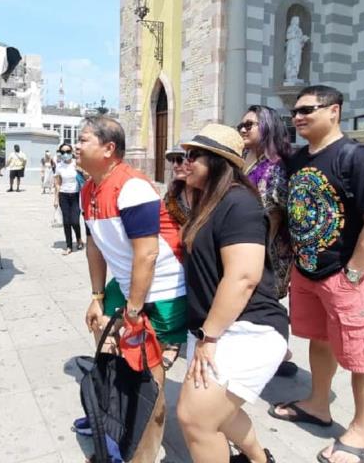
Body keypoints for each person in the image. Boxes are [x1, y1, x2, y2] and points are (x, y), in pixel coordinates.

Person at [269, 85, 364, 463]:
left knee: (361, 355)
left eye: (307, 109)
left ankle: (361, 432)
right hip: (309, 271)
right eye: (295, 112)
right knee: (319, 341)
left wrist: (353, 274)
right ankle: (318, 404)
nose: (298, 117)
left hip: (346, 274)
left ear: (334, 111)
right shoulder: (298, 160)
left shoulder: (357, 158)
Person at [77, 116, 187, 463]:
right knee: (105, 341)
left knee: (147, 376)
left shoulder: (132, 187)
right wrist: (98, 298)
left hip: (163, 290)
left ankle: (145, 451)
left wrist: (134, 310)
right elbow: (94, 246)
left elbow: (148, 253)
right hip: (127, 284)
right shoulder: (88, 189)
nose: (74, 146)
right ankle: (115, 419)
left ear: (109, 149)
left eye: (83, 140)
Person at [175, 124, 288, 463]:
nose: (185, 162)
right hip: (216, 327)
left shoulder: (238, 203)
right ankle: (258, 459)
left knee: (195, 418)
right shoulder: (208, 202)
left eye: (194, 156)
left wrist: (209, 338)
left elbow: (243, 278)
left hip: (246, 328)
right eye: (185, 155)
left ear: (218, 163)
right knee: (216, 412)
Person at [238, 105, 297, 379]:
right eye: (242, 125)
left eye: (249, 125)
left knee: (267, 299)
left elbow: (275, 213)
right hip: (246, 242)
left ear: (268, 126)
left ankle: (280, 353)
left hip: (269, 247)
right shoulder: (245, 159)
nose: (243, 129)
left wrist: (262, 251)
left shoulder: (276, 166)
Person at [53, 143, 83, 255]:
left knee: (75, 221)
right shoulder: (59, 166)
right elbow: (57, 183)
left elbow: (86, 178)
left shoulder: (77, 164)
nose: (65, 154)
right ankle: (69, 246)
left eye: (68, 152)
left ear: (72, 152)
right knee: (66, 222)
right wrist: (56, 199)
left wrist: (80, 170)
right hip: (63, 195)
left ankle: (79, 239)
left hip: (76, 195)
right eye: (63, 152)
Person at [164, 144, 193, 226]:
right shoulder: (172, 191)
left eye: (179, 160)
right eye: (173, 161)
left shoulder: (207, 191)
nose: (175, 166)